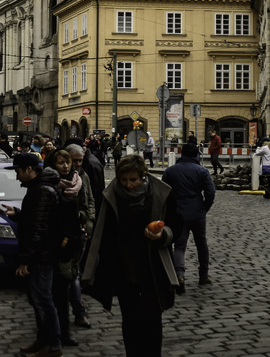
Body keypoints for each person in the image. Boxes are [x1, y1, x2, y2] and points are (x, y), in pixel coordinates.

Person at [82, 155, 179, 357]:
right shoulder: (110, 196)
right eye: (124, 180)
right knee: (131, 319)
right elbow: (103, 234)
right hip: (124, 268)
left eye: (133, 180)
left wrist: (162, 234)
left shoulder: (160, 193)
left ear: (142, 176)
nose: (128, 185)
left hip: (153, 266)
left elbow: (177, 224)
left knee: (152, 318)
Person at [2, 153, 61, 357]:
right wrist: (17, 214)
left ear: (29, 169)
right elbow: (34, 220)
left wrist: (25, 261)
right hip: (41, 254)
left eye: (18, 171)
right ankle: (43, 340)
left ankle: (52, 346)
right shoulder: (37, 188)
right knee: (37, 300)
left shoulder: (42, 190)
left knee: (43, 300)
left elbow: (38, 230)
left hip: (42, 257)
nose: (17, 177)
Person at [161, 141, 215, 291]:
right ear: (196, 155)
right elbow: (210, 193)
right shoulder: (202, 171)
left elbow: (163, 193)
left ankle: (179, 274)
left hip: (178, 214)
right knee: (201, 244)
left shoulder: (171, 171)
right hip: (197, 212)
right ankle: (203, 275)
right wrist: (204, 208)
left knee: (179, 246)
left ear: (182, 153)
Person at [46, 150, 85, 348]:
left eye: (67, 162)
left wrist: (86, 221)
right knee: (59, 291)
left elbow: (87, 205)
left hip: (74, 242)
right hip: (58, 245)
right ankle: (58, 332)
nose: (66, 166)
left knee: (70, 282)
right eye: (61, 163)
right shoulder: (50, 185)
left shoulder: (78, 181)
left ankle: (73, 320)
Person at [63, 145, 95, 331]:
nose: (76, 164)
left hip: (78, 231)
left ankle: (79, 312)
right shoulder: (55, 177)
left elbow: (90, 200)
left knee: (74, 273)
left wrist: (88, 220)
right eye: (73, 160)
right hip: (60, 233)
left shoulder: (83, 176)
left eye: (79, 160)